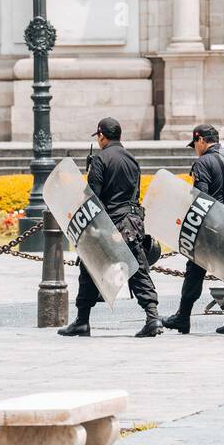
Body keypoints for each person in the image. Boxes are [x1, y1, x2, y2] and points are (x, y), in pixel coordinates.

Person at [59, 117, 163, 338]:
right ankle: (152, 317)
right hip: (132, 224)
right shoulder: (132, 159)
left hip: (108, 223)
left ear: (102, 136)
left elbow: (93, 197)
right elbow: (135, 194)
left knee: (88, 269)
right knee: (138, 270)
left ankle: (82, 320)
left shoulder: (100, 160)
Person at [162, 124, 224, 336]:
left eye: (195, 144)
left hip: (214, 224)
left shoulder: (203, 162)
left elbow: (202, 198)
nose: (195, 149)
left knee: (194, 269)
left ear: (201, 140)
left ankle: (183, 317)